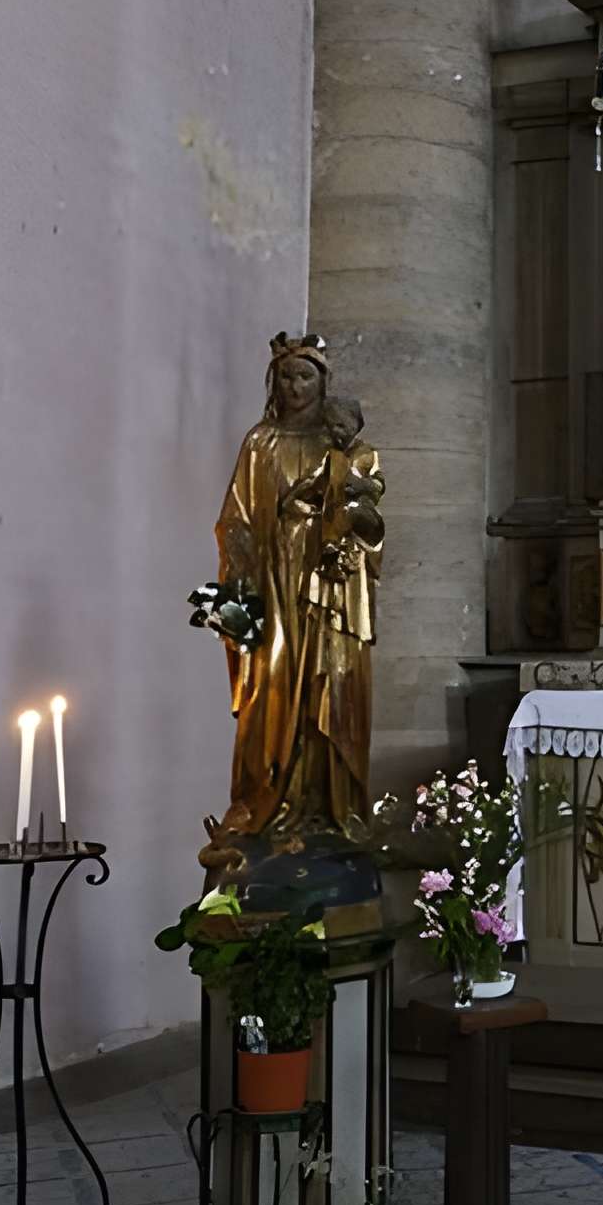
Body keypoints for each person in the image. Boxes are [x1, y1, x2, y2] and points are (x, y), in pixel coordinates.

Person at [211, 334, 384, 841]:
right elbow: (235, 521)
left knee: (330, 688)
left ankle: (329, 813)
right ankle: (263, 803)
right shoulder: (260, 443)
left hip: (328, 595)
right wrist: (238, 592)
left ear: (323, 383)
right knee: (272, 689)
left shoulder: (345, 450)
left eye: (306, 376)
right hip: (273, 585)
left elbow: (369, 528)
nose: (295, 386)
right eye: (287, 376)